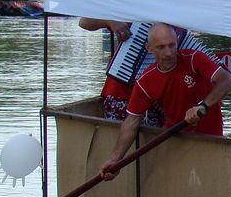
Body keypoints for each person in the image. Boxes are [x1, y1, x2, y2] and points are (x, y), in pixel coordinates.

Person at [99, 23, 231, 179]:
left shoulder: (194, 59)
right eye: (161, 47)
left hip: (211, 139)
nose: (169, 53)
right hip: (176, 139)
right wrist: (115, 160)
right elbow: (131, 122)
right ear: (149, 48)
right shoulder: (145, 81)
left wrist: (203, 105)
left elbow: (227, 81)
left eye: (172, 45)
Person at [79, 18, 216, 125]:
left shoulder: (177, 27)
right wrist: (111, 22)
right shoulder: (133, 12)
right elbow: (84, 22)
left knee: (153, 146)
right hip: (121, 92)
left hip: (157, 100)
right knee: (119, 135)